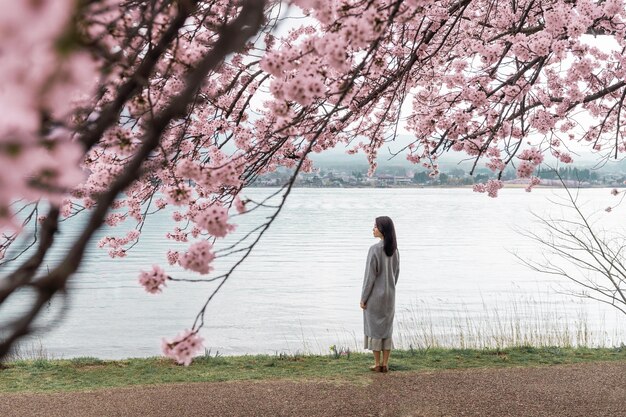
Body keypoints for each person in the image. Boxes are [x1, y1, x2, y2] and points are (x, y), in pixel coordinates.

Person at [360, 216, 400, 373]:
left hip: (375, 297)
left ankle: (377, 364)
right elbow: (396, 273)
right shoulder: (394, 250)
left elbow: (369, 277)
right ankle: (386, 363)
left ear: (382, 229)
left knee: (375, 329)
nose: (373, 229)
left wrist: (364, 298)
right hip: (390, 296)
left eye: (375, 226)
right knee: (386, 330)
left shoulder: (374, 249)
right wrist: (390, 287)